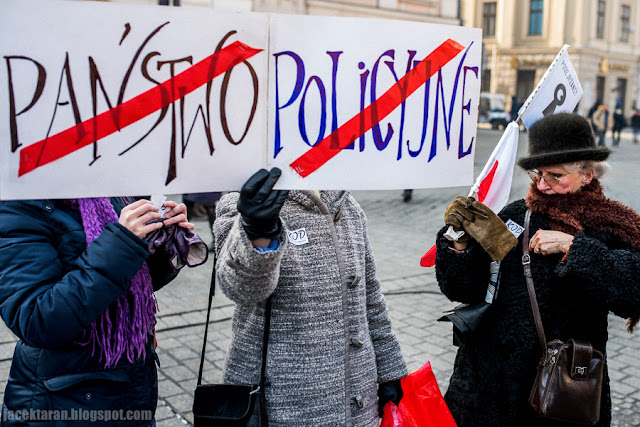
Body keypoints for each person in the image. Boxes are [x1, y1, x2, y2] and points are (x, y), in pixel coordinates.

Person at [435, 113, 640, 426]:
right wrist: (458, 245)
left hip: (563, 390)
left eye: (555, 176)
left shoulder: (613, 224)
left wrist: (574, 248)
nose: (543, 185)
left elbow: (632, 293)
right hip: (492, 386)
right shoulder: (516, 215)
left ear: (587, 173)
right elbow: (464, 288)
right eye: (538, 174)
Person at [213, 168, 407, 425]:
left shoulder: (348, 205)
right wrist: (257, 231)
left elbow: (370, 295)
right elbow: (240, 289)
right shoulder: (242, 204)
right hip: (281, 405)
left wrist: (389, 369)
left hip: (361, 396)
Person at [0, 197, 196, 425]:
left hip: (129, 385)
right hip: (61, 399)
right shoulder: (18, 209)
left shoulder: (105, 194)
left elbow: (130, 283)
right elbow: (37, 319)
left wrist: (165, 240)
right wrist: (122, 242)